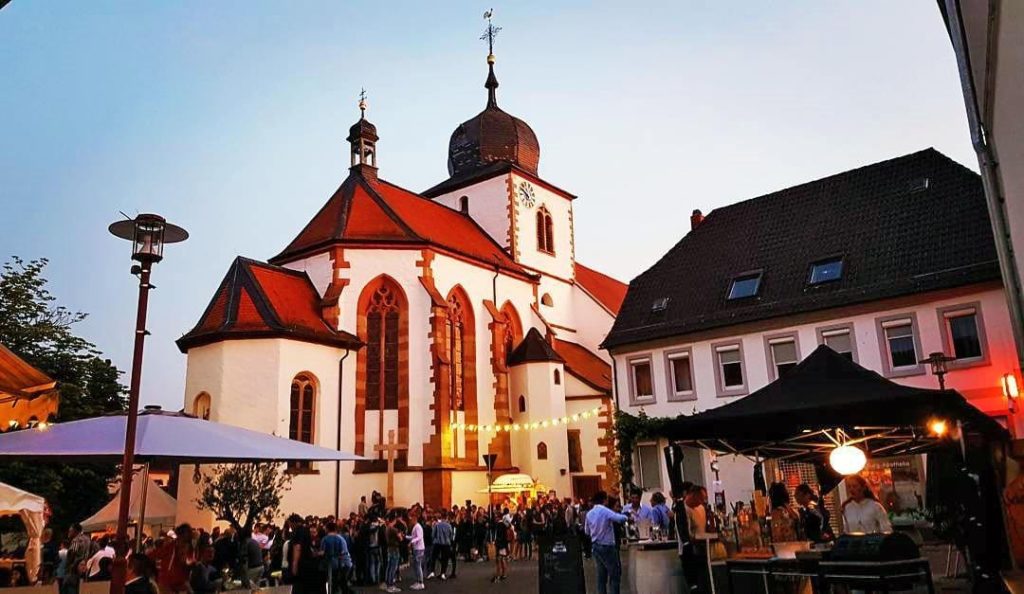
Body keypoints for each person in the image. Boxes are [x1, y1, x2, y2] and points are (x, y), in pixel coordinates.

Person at [584, 490, 628, 594]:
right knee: (614, 574)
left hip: (595, 546)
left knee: (601, 575)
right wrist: (626, 516)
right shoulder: (604, 510)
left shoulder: (589, 513)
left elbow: (586, 531)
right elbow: (618, 518)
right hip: (607, 545)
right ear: (604, 500)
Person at [154, 524, 194, 594]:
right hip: (167, 582)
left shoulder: (189, 548)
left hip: (179, 582)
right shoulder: (170, 547)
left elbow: (189, 562)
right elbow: (155, 554)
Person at [321, 520, 353, 594]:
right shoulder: (341, 538)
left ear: (327, 529)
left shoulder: (325, 539)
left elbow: (323, 552)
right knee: (343, 583)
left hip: (335, 564)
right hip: (346, 562)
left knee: (334, 583)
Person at [62, 524, 93, 594]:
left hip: (74, 569)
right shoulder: (88, 539)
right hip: (84, 568)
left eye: (70, 531)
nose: (69, 533)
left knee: (70, 588)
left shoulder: (76, 540)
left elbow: (72, 553)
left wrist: (69, 564)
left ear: (75, 531)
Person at [429, 510, 453, 581]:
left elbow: (433, 534)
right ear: (446, 517)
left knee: (434, 557)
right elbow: (451, 535)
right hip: (446, 544)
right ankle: (443, 573)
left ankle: (432, 572)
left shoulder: (437, 525)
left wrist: (434, 540)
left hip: (437, 543)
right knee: (445, 559)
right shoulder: (449, 525)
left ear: (441, 517)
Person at [383, 514, 404, 593]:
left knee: (389, 567)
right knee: (393, 567)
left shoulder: (387, 528)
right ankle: (391, 585)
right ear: (394, 520)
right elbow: (401, 539)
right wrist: (401, 535)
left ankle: (387, 583)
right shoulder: (393, 529)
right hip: (394, 549)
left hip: (389, 548)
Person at [407, 511, 425, 590]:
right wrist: (406, 537)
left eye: (411, 518)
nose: (410, 520)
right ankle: (418, 581)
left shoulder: (418, 527)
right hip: (417, 548)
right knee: (416, 566)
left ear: (415, 518)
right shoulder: (415, 526)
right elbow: (413, 536)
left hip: (419, 548)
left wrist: (411, 542)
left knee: (418, 566)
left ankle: (420, 582)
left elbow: (419, 537)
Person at [491, 517, 511, 583]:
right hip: (503, 545)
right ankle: (504, 573)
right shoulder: (504, 526)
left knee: (499, 560)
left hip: (500, 545)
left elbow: (499, 536)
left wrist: (497, 544)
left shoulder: (500, 525)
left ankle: (499, 574)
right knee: (503, 559)